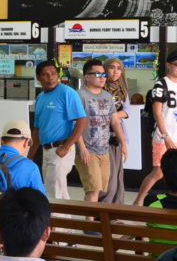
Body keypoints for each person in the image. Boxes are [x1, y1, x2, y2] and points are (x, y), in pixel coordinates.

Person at [133, 51, 177, 206]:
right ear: (168, 65)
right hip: (163, 135)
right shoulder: (161, 84)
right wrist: (165, 135)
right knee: (158, 171)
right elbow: (157, 111)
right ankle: (139, 200)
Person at [28, 60, 86, 200]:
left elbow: (82, 120)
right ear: (38, 78)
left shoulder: (67, 92)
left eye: (53, 74)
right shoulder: (40, 97)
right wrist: (30, 156)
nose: (50, 77)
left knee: (55, 192)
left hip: (61, 150)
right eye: (45, 75)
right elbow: (37, 128)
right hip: (46, 150)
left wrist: (67, 147)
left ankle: (58, 221)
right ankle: (64, 220)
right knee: (52, 190)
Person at [75, 59, 127, 204]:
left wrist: (123, 143)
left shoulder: (107, 96)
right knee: (92, 190)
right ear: (86, 76)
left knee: (100, 191)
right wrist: (82, 148)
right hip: (88, 150)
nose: (103, 77)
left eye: (104, 74)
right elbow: (75, 123)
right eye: (98, 74)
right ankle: (89, 225)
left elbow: (115, 121)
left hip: (104, 150)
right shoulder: (80, 95)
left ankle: (94, 223)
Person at [0, 120, 45, 196]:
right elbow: (42, 203)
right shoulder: (31, 168)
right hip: (5, 208)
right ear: (26, 142)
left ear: (1, 141)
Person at [101, 57, 130, 204]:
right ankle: (105, 209)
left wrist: (113, 116)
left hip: (117, 133)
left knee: (119, 174)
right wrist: (112, 116)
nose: (115, 71)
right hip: (101, 135)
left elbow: (127, 111)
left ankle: (117, 209)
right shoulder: (100, 87)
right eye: (112, 67)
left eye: (119, 68)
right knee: (109, 175)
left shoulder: (123, 89)